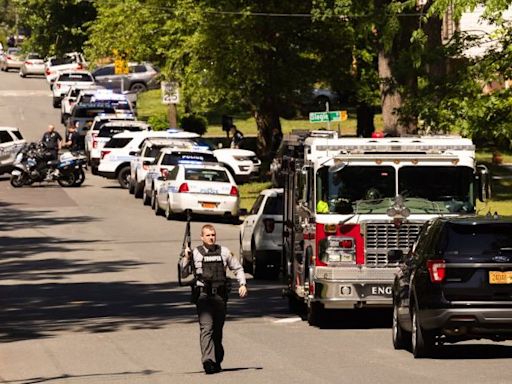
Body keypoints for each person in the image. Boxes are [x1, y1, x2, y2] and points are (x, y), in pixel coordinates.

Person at [180, 224, 248, 374]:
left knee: (217, 331)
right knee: (207, 328)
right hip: (203, 296)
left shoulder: (224, 252)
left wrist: (242, 284)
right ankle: (208, 361)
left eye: (213, 235)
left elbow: (237, 268)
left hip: (220, 297)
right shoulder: (195, 253)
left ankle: (217, 359)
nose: (211, 237)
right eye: (208, 235)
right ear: (202, 237)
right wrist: (186, 258)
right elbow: (183, 274)